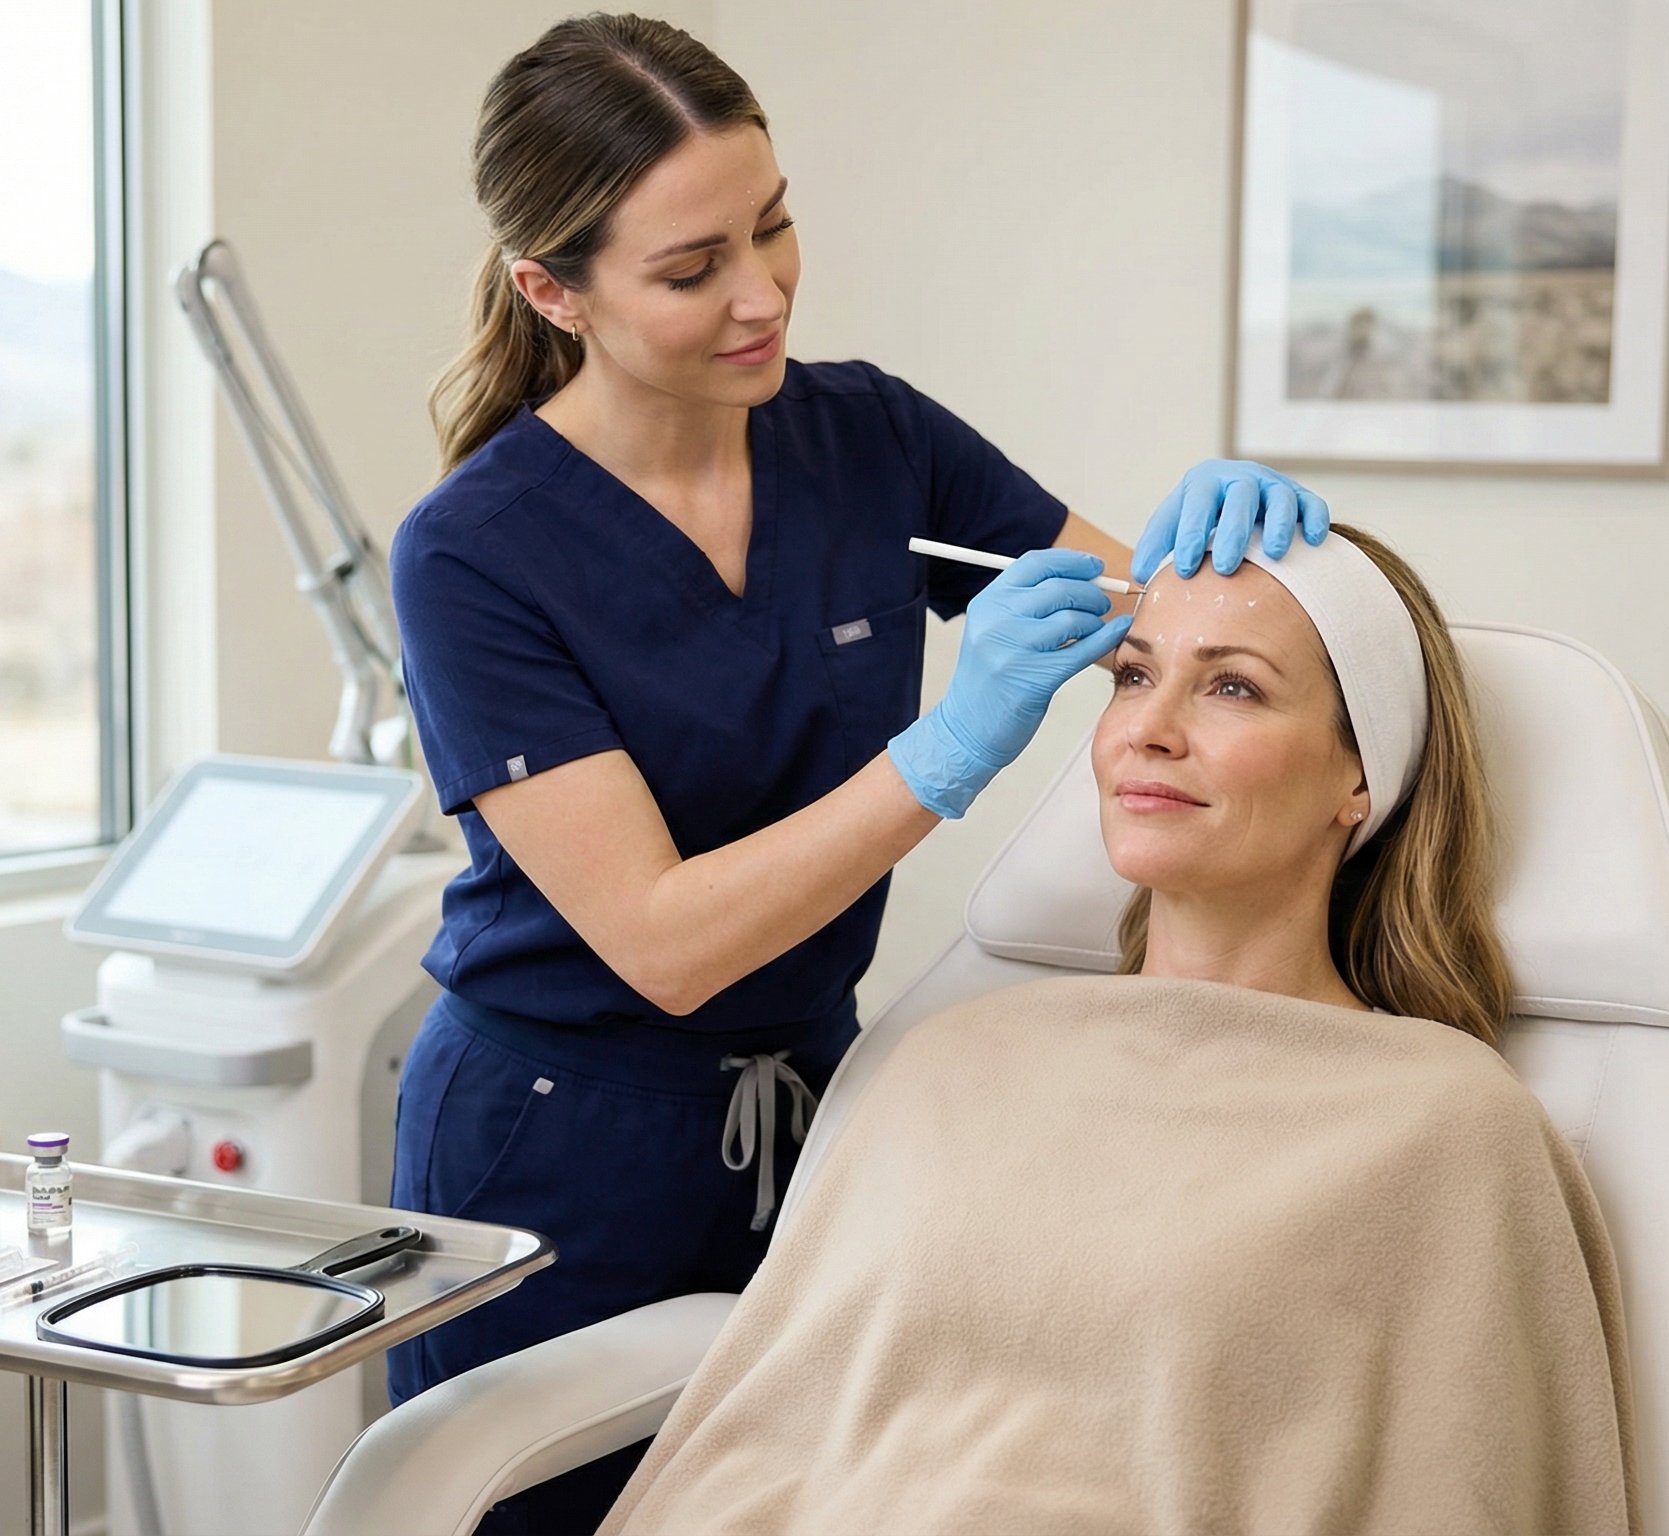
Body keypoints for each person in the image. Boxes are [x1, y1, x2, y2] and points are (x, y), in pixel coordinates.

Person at [387, 15, 1332, 1528]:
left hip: (824, 1103)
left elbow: (1156, 620)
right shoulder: (475, 555)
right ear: (552, 291)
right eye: (693, 270)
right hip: (559, 1138)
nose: (762, 296)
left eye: (774, 225)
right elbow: (667, 944)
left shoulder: (870, 437)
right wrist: (948, 749)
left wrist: (1263, 561)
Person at [601, 525, 1639, 1534]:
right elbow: (778, 1427)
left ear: (1357, 780)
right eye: (1132, 676)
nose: (1147, 728)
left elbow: (1467, 1490)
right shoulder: (949, 1060)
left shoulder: (1445, 1127)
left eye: (1232, 686)